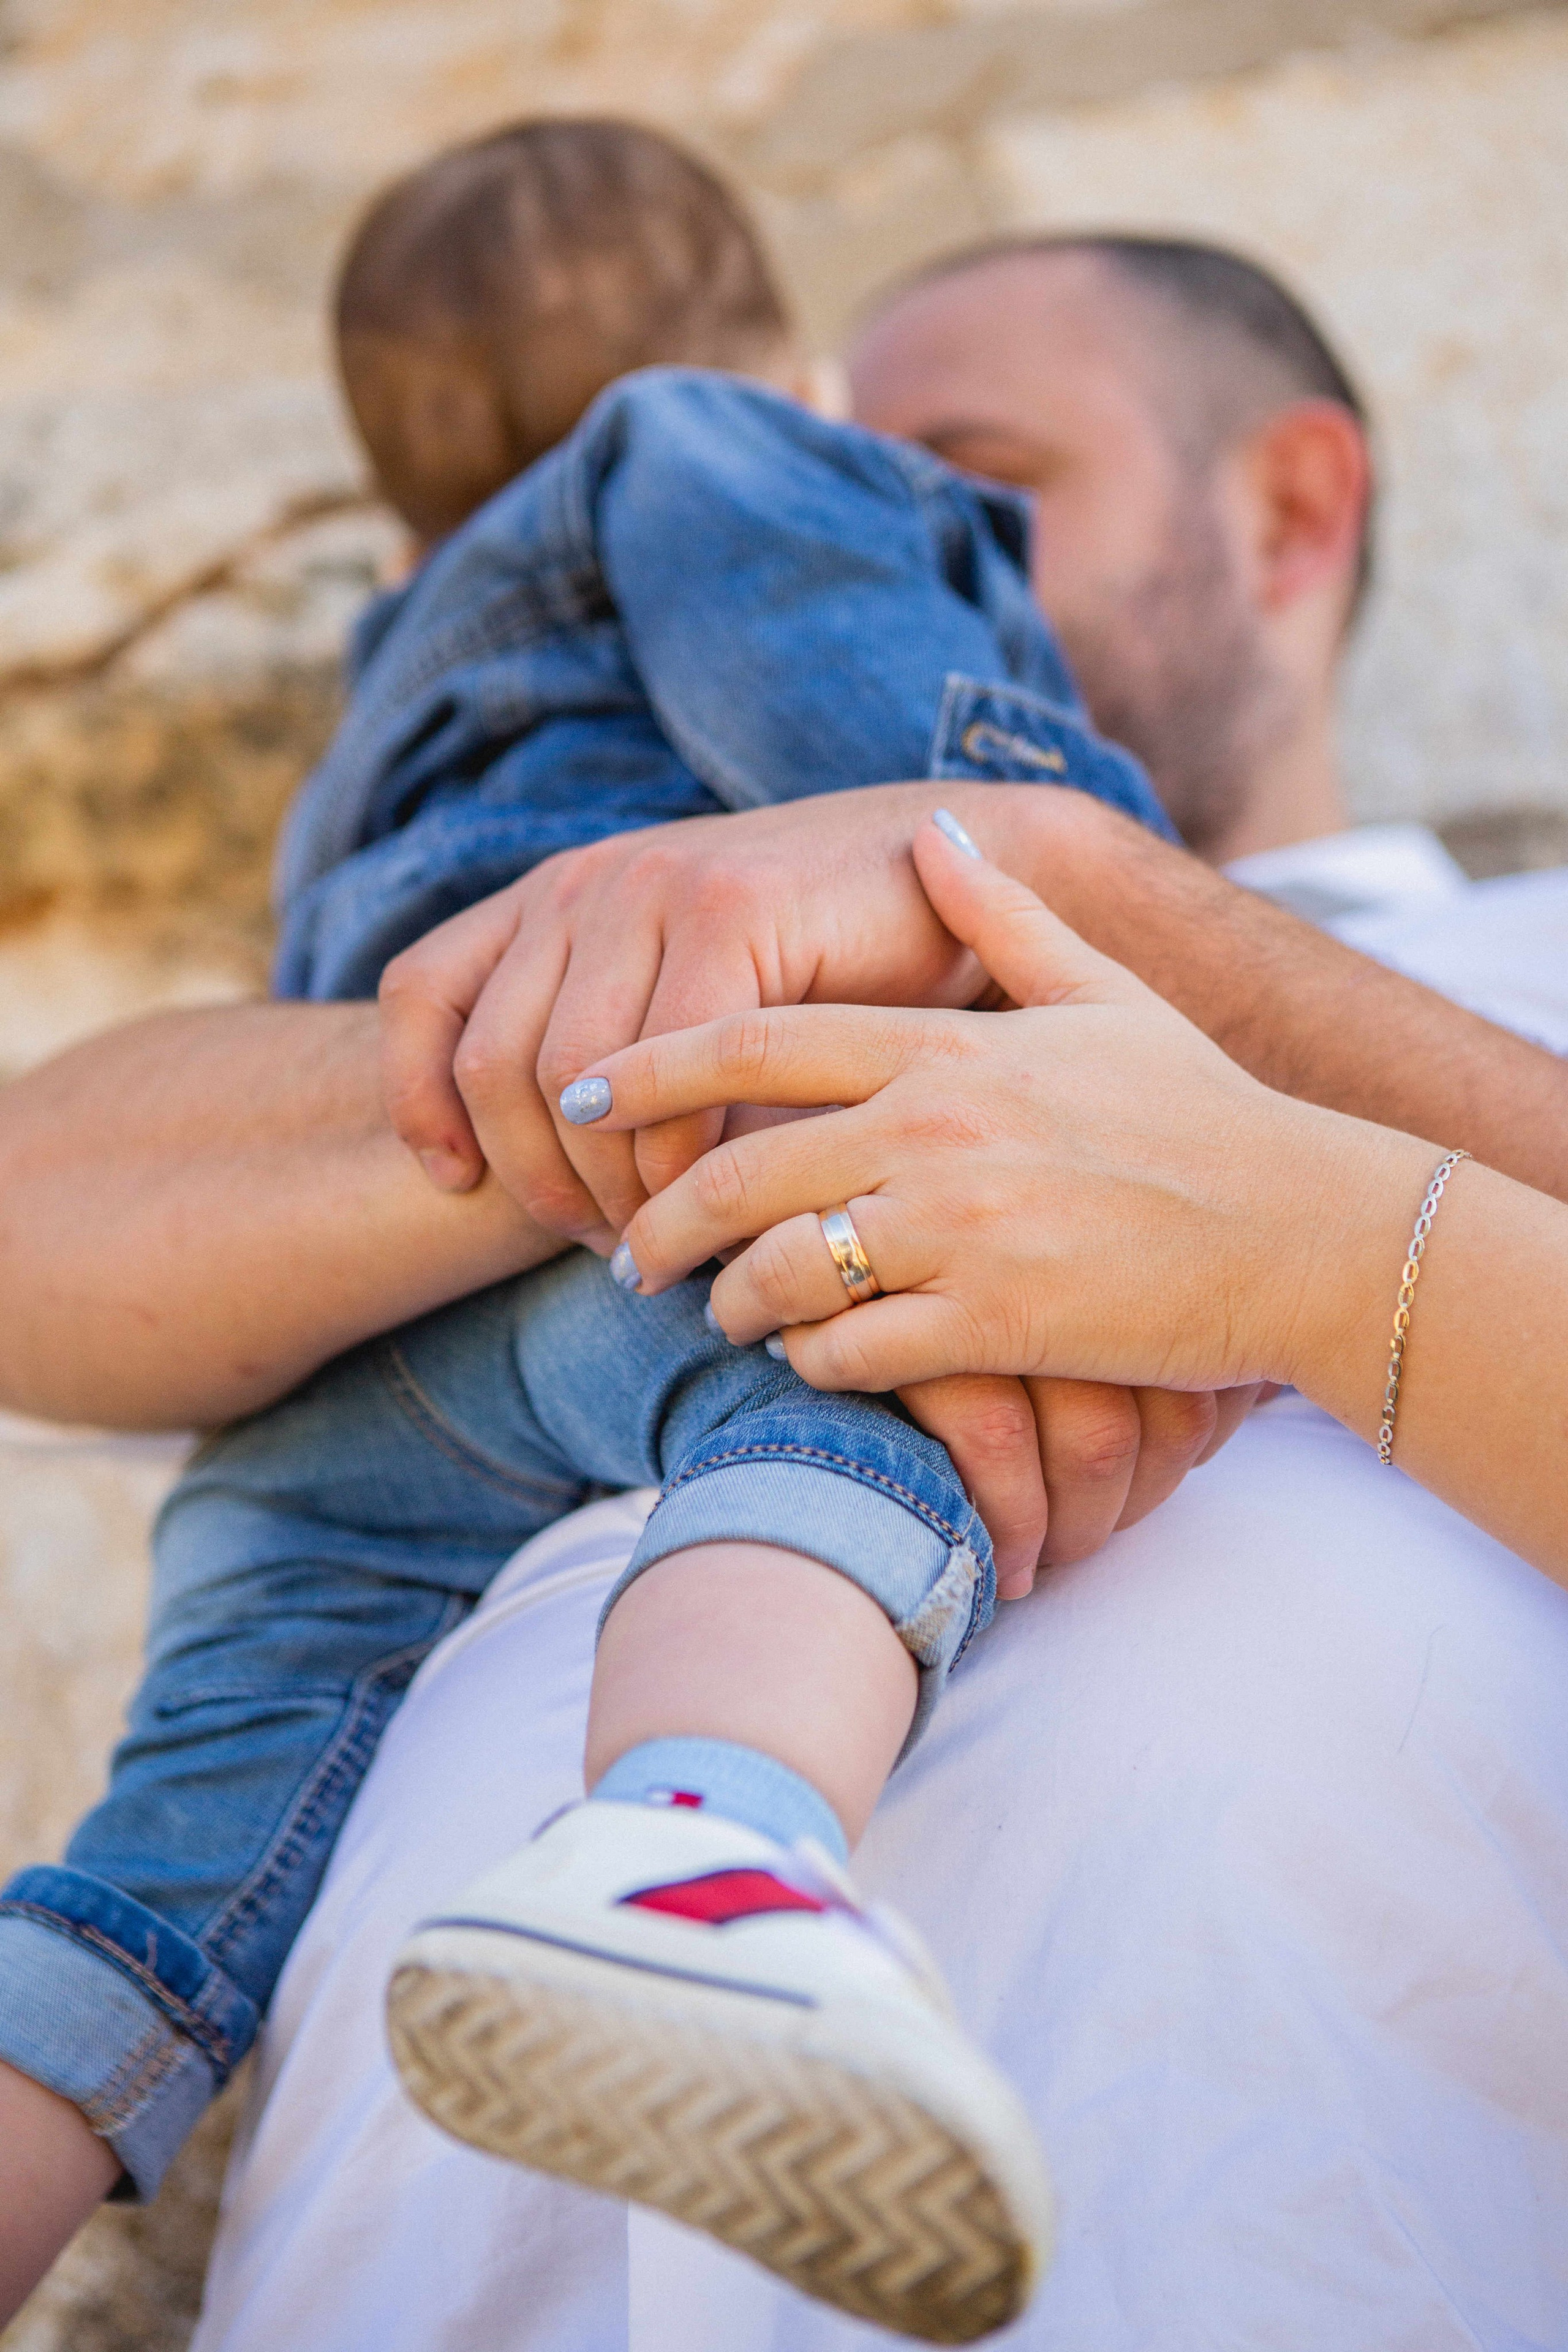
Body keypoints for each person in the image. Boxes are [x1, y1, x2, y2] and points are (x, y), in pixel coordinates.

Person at [3, 200, 1568, 2332]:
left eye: (976, 471)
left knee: (171, 1851)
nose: (867, 519)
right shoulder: (592, 896)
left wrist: (1036, 881)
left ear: (1289, 510)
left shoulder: (1524, 965)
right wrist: (658, 1010)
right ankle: (702, 1842)